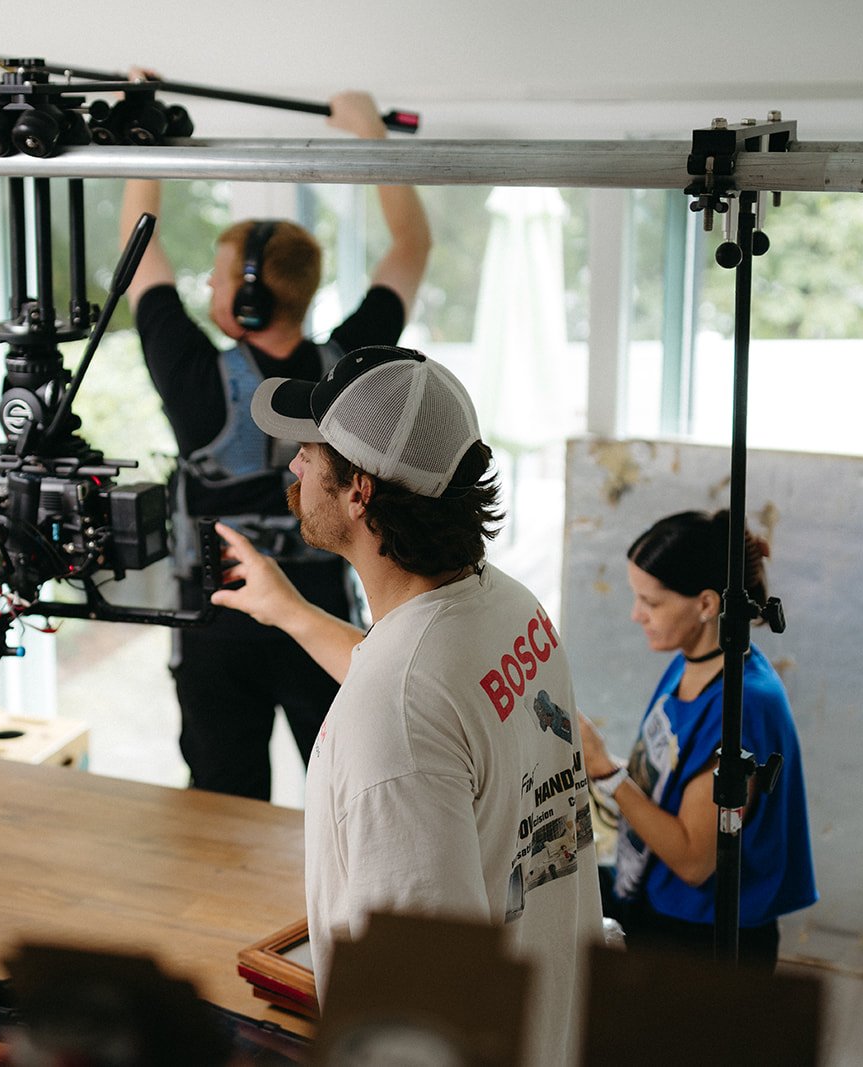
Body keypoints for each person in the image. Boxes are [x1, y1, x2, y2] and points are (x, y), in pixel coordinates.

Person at [211, 346, 601, 1067]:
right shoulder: (507, 606)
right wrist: (290, 612)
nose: (294, 466)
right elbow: (426, 695)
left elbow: (427, 998)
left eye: (309, 453)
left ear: (358, 491)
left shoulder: (393, 712)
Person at [119, 87, 431, 801]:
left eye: (221, 276)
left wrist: (143, 132)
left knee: (224, 809)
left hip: (215, 628)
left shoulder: (195, 378)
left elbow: (140, 248)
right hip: (320, 624)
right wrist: (370, 133)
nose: (210, 285)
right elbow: (412, 246)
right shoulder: (351, 367)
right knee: (350, 797)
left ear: (249, 300)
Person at [579, 509, 817, 969]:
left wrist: (605, 771)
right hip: (654, 890)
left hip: (700, 936)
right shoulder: (692, 662)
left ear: (706, 604)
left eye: (651, 602)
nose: (636, 615)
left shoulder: (743, 704)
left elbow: (693, 861)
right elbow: (670, 781)